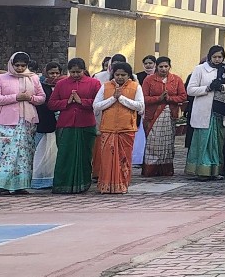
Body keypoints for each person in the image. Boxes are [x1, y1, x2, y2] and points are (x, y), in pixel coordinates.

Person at [186, 46, 225, 179]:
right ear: (209, 57)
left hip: (221, 112)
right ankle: (202, 170)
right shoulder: (200, 69)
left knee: (218, 142)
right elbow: (190, 90)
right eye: (214, 57)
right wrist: (208, 88)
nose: (217, 59)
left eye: (220, 57)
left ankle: (215, 171)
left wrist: (222, 87)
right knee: (203, 140)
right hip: (204, 111)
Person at [91, 60, 144, 194]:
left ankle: (122, 185)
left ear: (129, 75)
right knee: (107, 160)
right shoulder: (105, 86)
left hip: (126, 129)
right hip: (108, 128)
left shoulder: (136, 87)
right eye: (117, 74)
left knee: (124, 159)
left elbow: (140, 106)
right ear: (113, 74)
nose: (120, 77)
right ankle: (106, 186)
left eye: (123, 75)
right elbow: (96, 106)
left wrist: (121, 99)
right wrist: (113, 98)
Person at [49, 57, 100, 193]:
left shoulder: (94, 83)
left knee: (85, 156)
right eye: (72, 72)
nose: (75, 75)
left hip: (86, 124)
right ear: (68, 71)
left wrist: (81, 101)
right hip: (66, 124)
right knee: (64, 156)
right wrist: (67, 101)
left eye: (78, 72)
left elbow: (99, 103)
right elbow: (51, 104)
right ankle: (62, 185)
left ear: (84, 70)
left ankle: (82, 185)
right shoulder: (61, 84)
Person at [0, 53, 45, 194]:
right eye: (17, 65)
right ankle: (2, 185)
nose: (19, 68)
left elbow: (42, 97)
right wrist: (16, 97)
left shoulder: (33, 78)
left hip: (27, 122)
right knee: (6, 153)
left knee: (25, 154)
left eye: (23, 66)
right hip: (7, 122)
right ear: (11, 64)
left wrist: (30, 98)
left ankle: (20, 186)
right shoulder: (2, 78)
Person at [138, 56, 186, 178]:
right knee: (153, 142)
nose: (163, 69)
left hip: (170, 115)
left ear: (170, 67)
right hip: (153, 115)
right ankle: (151, 170)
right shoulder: (149, 80)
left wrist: (170, 99)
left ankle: (166, 170)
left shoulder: (176, 79)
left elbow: (183, 96)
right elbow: (143, 98)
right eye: (161, 67)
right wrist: (158, 99)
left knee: (168, 143)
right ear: (156, 67)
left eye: (166, 66)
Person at [30, 62, 60, 190]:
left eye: (57, 73)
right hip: (42, 123)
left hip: (57, 125)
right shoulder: (40, 86)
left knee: (53, 154)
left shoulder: (62, 86)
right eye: (51, 73)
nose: (54, 76)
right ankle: (38, 180)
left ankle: (51, 179)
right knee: (40, 153)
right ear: (45, 73)